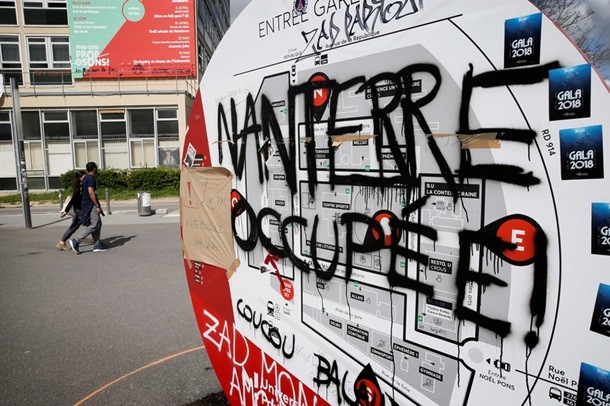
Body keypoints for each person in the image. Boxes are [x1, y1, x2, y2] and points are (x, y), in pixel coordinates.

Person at [69, 162, 109, 253]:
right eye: (97, 167)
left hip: (87, 203)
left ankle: (97, 244)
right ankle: (76, 241)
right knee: (95, 224)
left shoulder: (86, 177)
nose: (97, 168)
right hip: (90, 204)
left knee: (98, 223)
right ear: (94, 168)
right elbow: (91, 192)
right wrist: (97, 206)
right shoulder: (90, 178)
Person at [56, 170, 85, 251]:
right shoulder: (80, 187)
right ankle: (74, 241)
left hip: (79, 210)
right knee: (93, 225)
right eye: (84, 176)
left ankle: (62, 242)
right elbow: (72, 200)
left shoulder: (81, 186)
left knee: (74, 226)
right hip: (80, 210)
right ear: (80, 178)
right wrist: (65, 211)